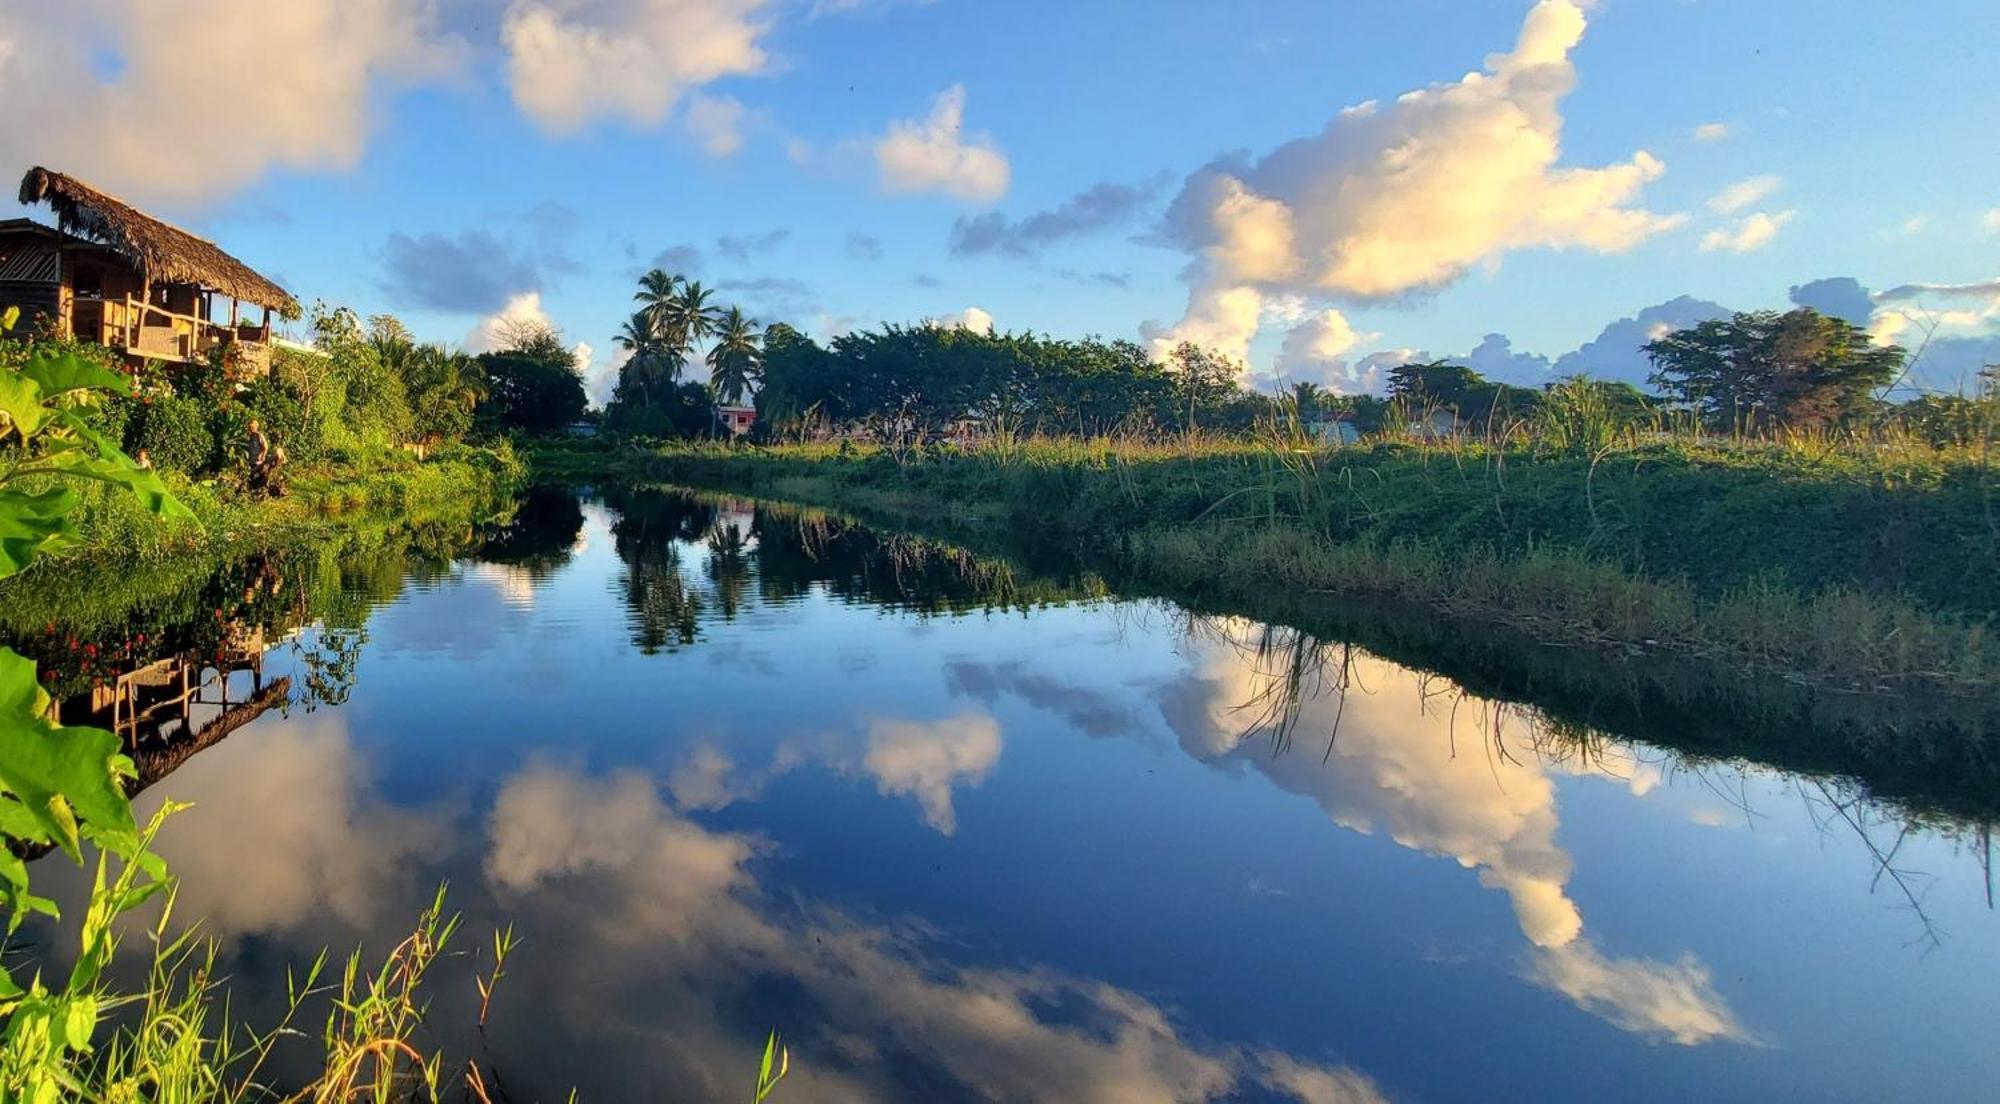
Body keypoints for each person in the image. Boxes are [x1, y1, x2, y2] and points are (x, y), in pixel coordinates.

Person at [245, 419, 272, 492]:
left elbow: (266, 446)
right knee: (251, 479)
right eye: (250, 425)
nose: (251, 426)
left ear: (256, 426)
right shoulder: (249, 436)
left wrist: (262, 456)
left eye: (252, 425)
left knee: (258, 478)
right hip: (251, 461)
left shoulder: (259, 435)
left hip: (258, 461)